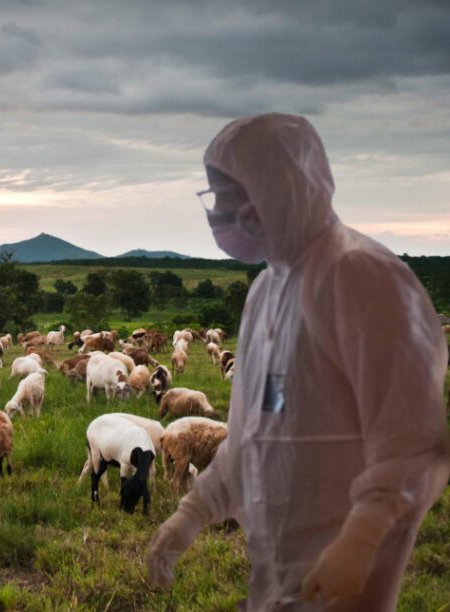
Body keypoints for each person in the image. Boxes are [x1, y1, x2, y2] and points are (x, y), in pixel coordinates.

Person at [144, 113, 449, 610]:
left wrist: (363, 536)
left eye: (225, 193)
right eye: (213, 194)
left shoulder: (363, 280)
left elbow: (413, 442)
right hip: (274, 576)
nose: (217, 210)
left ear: (276, 187)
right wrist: (193, 512)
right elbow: (252, 437)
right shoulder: (267, 291)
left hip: (346, 579)